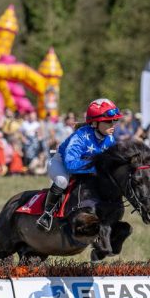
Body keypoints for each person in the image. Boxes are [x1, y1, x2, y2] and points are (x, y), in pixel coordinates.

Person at [37, 98, 122, 231]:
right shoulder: (80, 136)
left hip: (86, 169)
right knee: (62, 181)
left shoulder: (110, 138)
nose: (113, 125)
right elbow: (71, 165)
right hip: (61, 164)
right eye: (108, 121)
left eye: (114, 121)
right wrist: (98, 166)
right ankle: (47, 214)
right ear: (94, 123)